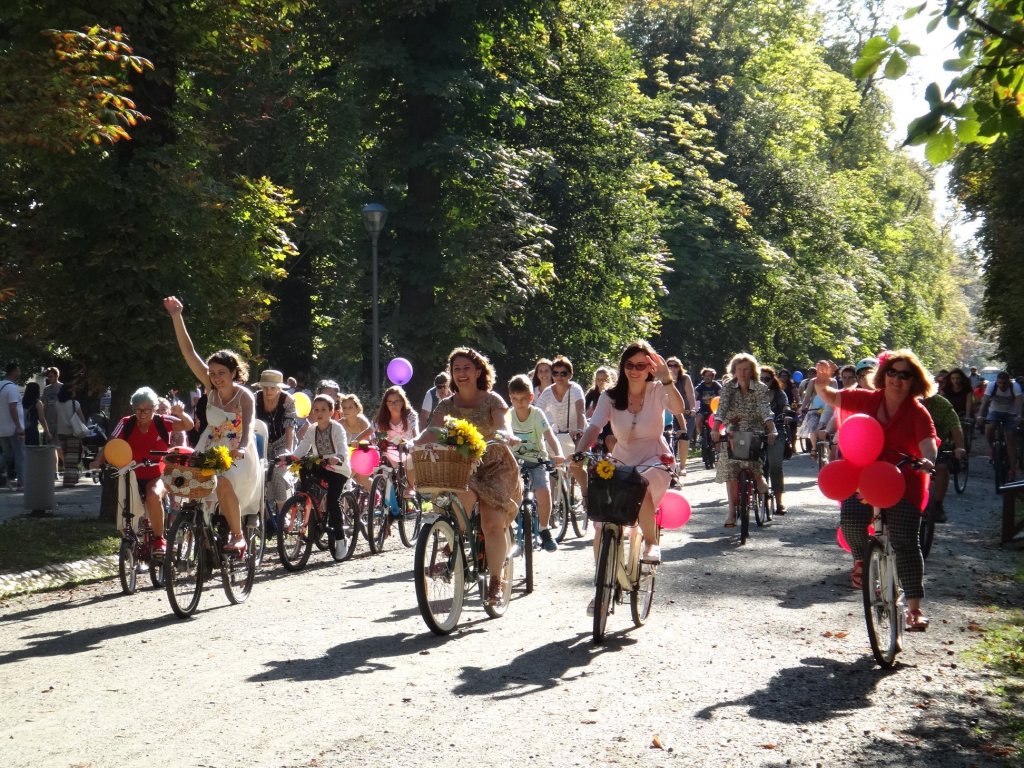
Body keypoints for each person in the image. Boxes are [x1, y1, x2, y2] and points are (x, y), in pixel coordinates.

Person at [813, 350, 937, 632]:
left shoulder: (918, 412)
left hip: (905, 479)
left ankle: (914, 610)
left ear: (914, 381)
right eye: (892, 373)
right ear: (883, 376)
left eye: (904, 375)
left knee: (906, 540)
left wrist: (929, 460)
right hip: (863, 475)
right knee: (852, 520)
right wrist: (822, 382)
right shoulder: (866, 398)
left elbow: (929, 442)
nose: (897, 379)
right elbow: (831, 396)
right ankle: (861, 559)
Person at [417, 347, 523, 607]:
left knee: (492, 523)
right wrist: (414, 443)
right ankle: (455, 541)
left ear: (478, 371)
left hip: (495, 465)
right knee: (457, 502)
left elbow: (503, 424)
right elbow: (432, 429)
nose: (461, 373)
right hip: (463, 466)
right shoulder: (447, 404)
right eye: (456, 369)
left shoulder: (492, 400)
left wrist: (506, 435)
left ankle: (496, 581)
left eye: (466, 368)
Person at [572, 340, 684, 572]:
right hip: (622, 459)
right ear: (623, 367)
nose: (634, 370)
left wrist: (666, 379)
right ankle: (601, 583)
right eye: (629, 365)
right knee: (602, 524)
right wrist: (579, 452)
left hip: (655, 457)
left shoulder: (658, 390)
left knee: (639, 483)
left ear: (651, 368)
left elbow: (678, 408)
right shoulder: (610, 396)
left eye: (641, 366)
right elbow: (594, 427)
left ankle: (651, 544)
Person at [164, 296, 261, 554]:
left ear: (233, 373)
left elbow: (249, 428)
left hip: (237, 453)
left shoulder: (244, 396)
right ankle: (203, 540)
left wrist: (240, 448)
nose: (216, 378)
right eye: (212, 373)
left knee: (225, 481)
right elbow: (188, 352)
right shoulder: (210, 390)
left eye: (221, 373)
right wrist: (177, 316)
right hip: (210, 447)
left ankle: (238, 536)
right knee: (192, 485)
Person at [92, 387, 193, 553]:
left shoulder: (162, 421)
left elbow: (187, 426)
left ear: (154, 408)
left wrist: (181, 414)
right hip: (132, 474)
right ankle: (131, 539)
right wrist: (97, 461)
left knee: (153, 495)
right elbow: (111, 443)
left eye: (146, 409)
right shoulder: (126, 422)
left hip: (157, 473)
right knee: (126, 506)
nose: (142, 413)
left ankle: (159, 539)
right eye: (138, 409)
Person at [715, 353, 778, 527]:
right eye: (739, 369)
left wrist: (772, 429)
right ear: (734, 370)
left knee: (751, 444)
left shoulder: (760, 388)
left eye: (746, 369)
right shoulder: (727, 387)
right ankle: (731, 511)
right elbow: (721, 409)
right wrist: (715, 428)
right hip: (733, 427)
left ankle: (758, 477)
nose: (742, 373)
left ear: (752, 371)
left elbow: (765, 410)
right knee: (729, 465)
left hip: (754, 426)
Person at [508, 374, 564, 551]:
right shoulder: (508, 415)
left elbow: (550, 437)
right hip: (515, 461)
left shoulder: (537, 414)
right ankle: (510, 526)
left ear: (531, 397)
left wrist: (559, 453)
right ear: (510, 398)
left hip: (537, 460)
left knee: (543, 491)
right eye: (515, 399)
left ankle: (544, 529)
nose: (519, 403)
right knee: (508, 492)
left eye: (523, 398)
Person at [291, 394, 352, 552]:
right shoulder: (312, 429)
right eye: (316, 409)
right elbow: (303, 447)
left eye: (324, 409)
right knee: (304, 466)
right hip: (322, 465)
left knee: (333, 501)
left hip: (338, 470)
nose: (319, 412)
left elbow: (342, 447)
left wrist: (338, 457)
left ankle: (340, 538)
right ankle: (306, 498)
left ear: (331, 411)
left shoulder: (337, 428)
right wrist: (290, 457)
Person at [537, 355, 588, 510]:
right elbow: (537, 413)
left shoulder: (575, 389)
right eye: (556, 373)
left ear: (570, 375)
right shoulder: (547, 392)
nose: (559, 377)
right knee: (551, 464)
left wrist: (579, 431)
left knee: (575, 466)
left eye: (563, 373)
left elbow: (581, 411)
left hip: (576, 433)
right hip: (559, 434)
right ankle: (552, 503)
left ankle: (586, 495)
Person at [355, 385, 419, 490]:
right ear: (386, 404)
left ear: (402, 402)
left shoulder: (410, 415)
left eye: (396, 401)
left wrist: (413, 443)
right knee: (384, 470)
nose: (393, 405)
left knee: (409, 460)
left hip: (407, 448)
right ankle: (385, 492)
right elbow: (369, 430)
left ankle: (410, 489)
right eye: (390, 402)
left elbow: (415, 432)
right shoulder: (382, 417)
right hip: (390, 450)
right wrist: (356, 440)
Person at [254, 369, 297, 513]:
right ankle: (259, 512)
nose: (268, 391)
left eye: (272, 387)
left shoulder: (288, 400)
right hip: (261, 441)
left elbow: (289, 427)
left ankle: (282, 513)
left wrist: (288, 451)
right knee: (258, 473)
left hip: (282, 441)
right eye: (265, 387)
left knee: (278, 473)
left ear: (279, 388)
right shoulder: (254, 398)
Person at [922, 390, 966, 524]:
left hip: (938, 446)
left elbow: (955, 425)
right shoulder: (904, 399)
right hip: (909, 446)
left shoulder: (941, 404)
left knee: (941, 468)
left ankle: (937, 505)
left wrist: (959, 447)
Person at [979, 371, 1022, 480]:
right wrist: (980, 415)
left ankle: (1013, 469)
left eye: (1004, 383)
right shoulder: (991, 385)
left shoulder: (1015, 386)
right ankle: (992, 448)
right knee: (989, 428)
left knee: (1010, 439)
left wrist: (1019, 415)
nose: (1002, 385)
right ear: (997, 382)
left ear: (1009, 382)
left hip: (1011, 413)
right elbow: (985, 402)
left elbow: (1019, 402)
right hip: (995, 411)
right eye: (1000, 383)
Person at [760, 366, 790, 514]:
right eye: (761, 379)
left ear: (772, 380)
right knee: (754, 464)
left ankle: (779, 503)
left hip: (776, 431)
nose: (764, 382)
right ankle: (754, 495)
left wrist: (787, 413)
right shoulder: (751, 394)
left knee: (775, 466)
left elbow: (786, 406)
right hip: (756, 432)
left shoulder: (779, 393)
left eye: (767, 379)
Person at [665, 357, 696, 474]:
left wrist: (693, 409)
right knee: (670, 436)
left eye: (675, 365)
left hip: (686, 411)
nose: (673, 368)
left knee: (684, 436)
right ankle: (671, 465)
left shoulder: (685, 378)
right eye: (670, 365)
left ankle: (682, 466)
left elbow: (690, 395)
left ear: (680, 367)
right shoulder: (665, 380)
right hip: (670, 411)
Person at [54, 383, 87, 486]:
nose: (74, 392)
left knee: (66, 457)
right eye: (73, 390)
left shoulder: (57, 404)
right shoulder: (75, 403)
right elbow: (82, 418)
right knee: (72, 458)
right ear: (69, 392)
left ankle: (69, 479)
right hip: (73, 433)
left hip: (61, 433)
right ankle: (70, 481)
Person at [0, 364, 25, 489]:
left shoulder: (0, 385)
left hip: (2, 427)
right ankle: (22, 483)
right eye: (19, 371)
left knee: (7, 454)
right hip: (13, 428)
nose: (20, 373)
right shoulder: (12, 388)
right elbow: (12, 407)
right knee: (20, 455)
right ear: (14, 372)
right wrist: (19, 426)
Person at [585, 366, 617, 453]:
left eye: (603, 380)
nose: (601, 382)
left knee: (609, 442)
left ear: (608, 380)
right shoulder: (592, 393)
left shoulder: (611, 393)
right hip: (596, 425)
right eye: (598, 379)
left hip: (609, 426)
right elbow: (584, 408)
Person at [693, 368, 722, 449]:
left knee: (717, 427)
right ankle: (701, 435)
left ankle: (718, 449)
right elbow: (694, 396)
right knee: (698, 420)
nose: (707, 377)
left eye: (709, 376)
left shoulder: (716, 385)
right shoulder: (700, 386)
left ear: (712, 377)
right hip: (702, 410)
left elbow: (722, 395)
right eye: (705, 376)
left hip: (714, 411)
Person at [22, 381, 50, 447]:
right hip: (32, 431)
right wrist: (47, 432)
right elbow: (41, 419)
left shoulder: (21, 401)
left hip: (21, 430)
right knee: (33, 452)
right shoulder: (38, 403)